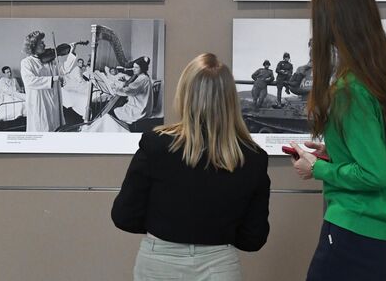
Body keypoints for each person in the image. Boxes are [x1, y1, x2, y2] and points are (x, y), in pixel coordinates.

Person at [290, 0, 386, 281]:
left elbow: (375, 174)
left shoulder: (350, 90)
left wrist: (318, 169)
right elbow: (384, 152)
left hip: (355, 235)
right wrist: (336, 151)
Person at [112, 53, 270, 281]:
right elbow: (252, 239)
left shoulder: (155, 145)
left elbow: (124, 216)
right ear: (230, 99)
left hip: (158, 264)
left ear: (185, 94)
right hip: (220, 266)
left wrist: (166, 226)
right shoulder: (253, 157)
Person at [19, 31, 78, 132]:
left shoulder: (50, 60)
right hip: (39, 100)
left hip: (53, 98)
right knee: (42, 126)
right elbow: (29, 81)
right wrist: (53, 79)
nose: (44, 45)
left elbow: (63, 70)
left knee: (54, 125)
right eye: (41, 43)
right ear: (33, 46)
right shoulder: (27, 62)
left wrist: (72, 53)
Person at [113, 57, 153, 125]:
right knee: (118, 109)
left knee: (115, 111)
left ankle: (124, 129)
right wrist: (125, 82)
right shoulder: (144, 77)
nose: (133, 69)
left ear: (142, 68)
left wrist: (115, 88)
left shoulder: (142, 79)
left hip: (140, 109)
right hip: (142, 107)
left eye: (136, 67)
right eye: (133, 67)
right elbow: (134, 87)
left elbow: (128, 91)